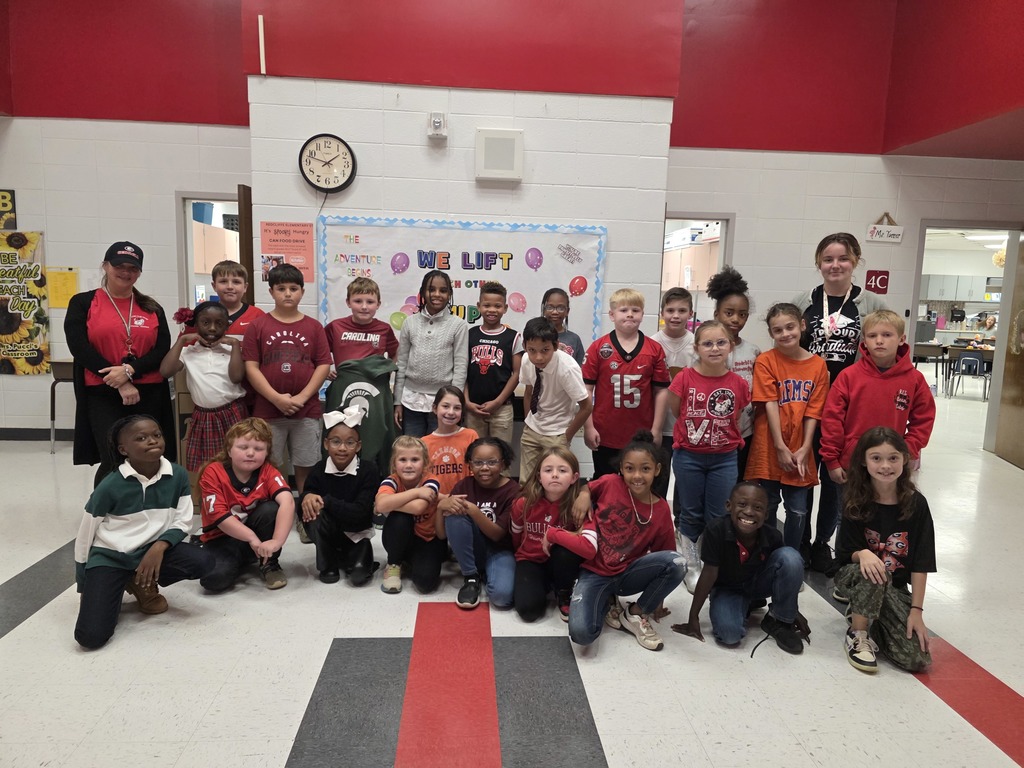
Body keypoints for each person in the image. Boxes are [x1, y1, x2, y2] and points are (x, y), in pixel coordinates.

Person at [73, 415, 215, 649]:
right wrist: (84, 585)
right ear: (123, 449)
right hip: (111, 557)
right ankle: (121, 582)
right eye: (141, 438)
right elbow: (85, 535)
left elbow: (183, 521)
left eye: (156, 435)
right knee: (90, 637)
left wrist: (160, 546)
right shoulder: (110, 485)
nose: (152, 441)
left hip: (152, 551)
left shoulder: (177, 475)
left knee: (204, 561)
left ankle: (142, 581)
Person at [794, 232, 888, 573]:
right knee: (804, 476)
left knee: (838, 479)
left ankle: (823, 544)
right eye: (828, 259)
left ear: (855, 261)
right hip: (807, 406)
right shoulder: (804, 301)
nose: (835, 265)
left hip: (849, 409)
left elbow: (884, 351)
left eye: (843, 259)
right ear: (819, 263)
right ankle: (800, 540)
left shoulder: (873, 304)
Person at [557, 431, 685, 652]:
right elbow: (588, 486)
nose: (637, 476)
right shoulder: (610, 483)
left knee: (678, 563)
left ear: (657, 470)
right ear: (621, 470)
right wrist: (585, 494)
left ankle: (634, 613)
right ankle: (607, 602)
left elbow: (665, 553)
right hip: (594, 572)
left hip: (629, 572)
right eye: (629, 469)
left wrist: (656, 600)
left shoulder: (661, 508)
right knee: (582, 634)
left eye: (645, 469)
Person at [65, 241, 175, 486]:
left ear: (139, 272)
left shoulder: (152, 307)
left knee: (150, 455)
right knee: (113, 456)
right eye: (119, 266)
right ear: (105, 266)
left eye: (132, 268)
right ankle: (104, 513)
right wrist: (120, 382)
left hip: (149, 391)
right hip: (103, 392)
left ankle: (148, 509)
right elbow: (79, 347)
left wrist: (129, 371)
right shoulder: (83, 303)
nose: (126, 273)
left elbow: (161, 348)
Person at [834, 427, 935, 673]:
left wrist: (916, 611)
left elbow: (922, 562)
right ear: (864, 462)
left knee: (917, 659)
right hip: (855, 575)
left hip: (894, 587)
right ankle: (857, 633)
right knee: (873, 570)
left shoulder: (917, 504)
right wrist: (863, 553)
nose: (885, 466)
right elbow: (843, 554)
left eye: (893, 458)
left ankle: (873, 616)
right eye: (876, 458)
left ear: (905, 459)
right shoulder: (855, 499)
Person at [671, 482, 808, 654]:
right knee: (729, 636)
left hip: (758, 584)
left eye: (758, 507)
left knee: (790, 556)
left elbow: (784, 573)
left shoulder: (772, 536)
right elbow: (708, 574)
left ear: (766, 514)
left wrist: (790, 611)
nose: (749, 512)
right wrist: (693, 617)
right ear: (729, 506)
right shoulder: (715, 530)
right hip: (728, 588)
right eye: (742, 504)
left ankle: (778, 621)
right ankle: (744, 604)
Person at [668, 320, 751, 593]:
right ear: (697, 348)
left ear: (730, 346)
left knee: (717, 513)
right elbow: (676, 410)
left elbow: (735, 416)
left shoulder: (738, 383)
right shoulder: (684, 378)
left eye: (721, 342)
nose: (714, 348)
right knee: (691, 511)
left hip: (724, 457)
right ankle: (691, 564)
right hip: (688, 455)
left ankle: (710, 560)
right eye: (707, 343)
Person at [242, 264, 332, 499]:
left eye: (293, 288)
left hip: (306, 410)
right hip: (268, 410)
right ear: (271, 292)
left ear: (302, 291)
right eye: (281, 288)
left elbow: (323, 364)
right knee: (268, 464)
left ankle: (305, 510)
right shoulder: (258, 326)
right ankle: (275, 509)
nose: (288, 293)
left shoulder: (314, 327)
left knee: (306, 464)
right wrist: (276, 398)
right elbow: (251, 367)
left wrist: (301, 398)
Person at [744, 304, 829, 548]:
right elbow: (770, 402)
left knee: (798, 510)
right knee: (768, 504)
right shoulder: (766, 361)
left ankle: (792, 558)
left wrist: (805, 448)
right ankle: (768, 556)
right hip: (770, 445)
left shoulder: (818, 365)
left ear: (802, 325)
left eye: (790, 327)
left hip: (800, 447)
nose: (785, 334)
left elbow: (814, 410)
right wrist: (779, 446)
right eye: (777, 330)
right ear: (771, 334)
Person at [821, 310, 935, 487]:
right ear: (864, 341)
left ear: (902, 339)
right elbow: (831, 420)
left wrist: (907, 450)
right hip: (852, 465)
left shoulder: (914, 380)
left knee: (887, 513)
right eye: (872, 336)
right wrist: (831, 459)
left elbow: (924, 419)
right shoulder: (848, 377)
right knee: (848, 513)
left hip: (891, 466)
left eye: (887, 335)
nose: (879, 341)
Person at [197, 418, 295, 591]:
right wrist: (251, 538)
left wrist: (276, 541)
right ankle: (242, 557)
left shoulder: (268, 471)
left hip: (256, 534)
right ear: (229, 450)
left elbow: (287, 501)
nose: (251, 453)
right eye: (243, 447)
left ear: (266, 453)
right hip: (221, 537)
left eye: (258, 449)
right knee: (213, 581)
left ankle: (269, 563)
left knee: (271, 509)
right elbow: (219, 516)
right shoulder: (213, 472)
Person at [583, 288, 670, 479]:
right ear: (612, 315)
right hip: (605, 431)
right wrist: (588, 427)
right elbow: (586, 390)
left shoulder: (654, 349)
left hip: (641, 433)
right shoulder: (598, 347)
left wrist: (656, 429)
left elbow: (661, 391)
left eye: (635, 310)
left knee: (639, 482)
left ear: (642, 314)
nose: (630, 314)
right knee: (605, 482)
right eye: (623, 310)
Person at [160, 301, 247, 474]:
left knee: (237, 462)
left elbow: (237, 377)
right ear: (197, 324)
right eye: (206, 322)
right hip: (204, 416)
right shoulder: (189, 352)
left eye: (219, 323)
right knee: (209, 466)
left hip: (232, 413)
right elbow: (165, 371)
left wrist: (235, 345)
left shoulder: (232, 349)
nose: (212, 328)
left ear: (227, 326)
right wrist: (183, 340)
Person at [323, 277, 399, 475]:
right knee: (341, 436)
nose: (364, 307)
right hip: (343, 394)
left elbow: (395, 353)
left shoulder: (384, 329)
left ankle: (375, 481)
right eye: (358, 301)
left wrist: (385, 372)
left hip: (373, 396)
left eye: (370, 302)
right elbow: (319, 353)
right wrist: (326, 368)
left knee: (374, 437)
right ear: (348, 302)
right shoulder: (335, 327)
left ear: (378, 305)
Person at [299, 406, 381, 586]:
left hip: (356, 534)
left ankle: (355, 555)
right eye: (336, 442)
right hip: (330, 533)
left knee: (359, 577)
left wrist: (326, 501)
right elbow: (307, 501)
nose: (342, 448)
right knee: (312, 508)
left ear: (358, 446)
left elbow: (361, 512)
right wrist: (307, 497)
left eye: (350, 443)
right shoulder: (318, 470)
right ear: (326, 444)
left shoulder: (369, 470)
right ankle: (327, 563)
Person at [437, 437, 520, 609]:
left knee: (501, 598)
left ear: (503, 464)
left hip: (500, 550)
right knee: (454, 515)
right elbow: (441, 535)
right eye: (478, 462)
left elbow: (497, 535)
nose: (484, 468)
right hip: (472, 550)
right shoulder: (463, 486)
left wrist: (473, 510)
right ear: (470, 465)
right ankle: (471, 577)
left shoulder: (514, 490)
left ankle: (488, 571)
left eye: (492, 462)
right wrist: (440, 507)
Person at [510, 445, 587, 622]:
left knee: (566, 549)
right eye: (548, 470)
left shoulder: (578, 506)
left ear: (574, 477)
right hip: (530, 559)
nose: (554, 475)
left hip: (561, 561)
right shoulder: (523, 503)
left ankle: (563, 591)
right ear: (538, 476)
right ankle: (543, 583)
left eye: (562, 470)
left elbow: (584, 541)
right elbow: (515, 536)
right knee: (528, 611)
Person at [394, 270, 468, 437]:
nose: (437, 294)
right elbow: (402, 364)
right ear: (422, 292)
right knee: (413, 451)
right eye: (431, 289)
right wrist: (397, 401)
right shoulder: (409, 323)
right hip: (410, 401)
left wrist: (453, 404)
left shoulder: (458, 325)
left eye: (443, 290)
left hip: (443, 403)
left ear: (449, 294)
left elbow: (461, 367)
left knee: (436, 455)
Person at [519, 317, 592, 484]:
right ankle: (527, 510)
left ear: (556, 346)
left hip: (557, 432)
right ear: (524, 347)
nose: (538, 357)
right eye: (532, 350)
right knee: (526, 483)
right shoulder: (525, 359)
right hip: (533, 428)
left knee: (554, 484)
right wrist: (528, 421)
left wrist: (566, 437)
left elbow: (586, 406)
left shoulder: (567, 369)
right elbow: (529, 392)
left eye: (545, 350)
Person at [707, 266, 760, 478]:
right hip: (710, 432)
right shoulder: (702, 348)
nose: (735, 319)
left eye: (742, 314)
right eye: (729, 313)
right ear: (717, 314)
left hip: (744, 432)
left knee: (737, 486)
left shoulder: (753, 351)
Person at [376, 436, 445, 594]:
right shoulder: (391, 481)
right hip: (398, 538)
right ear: (394, 463)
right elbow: (381, 505)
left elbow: (419, 507)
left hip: (427, 539)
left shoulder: (431, 480)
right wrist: (416, 492)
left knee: (425, 584)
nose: (408, 465)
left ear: (425, 463)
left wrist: (391, 503)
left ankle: (410, 561)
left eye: (415, 459)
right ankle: (394, 564)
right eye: (402, 460)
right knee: (400, 518)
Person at [651, 287, 696, 525]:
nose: (675, 315)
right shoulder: (652, 343)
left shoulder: (698, 344)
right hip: (660, 426)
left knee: (685, 479)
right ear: (662, 312)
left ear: (691, 313)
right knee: (659, 477)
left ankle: (681, 524)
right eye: (670, 310)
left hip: (687, 426)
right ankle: (656, 524)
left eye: (681, 310)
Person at [464, 282, 523, 444]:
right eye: (486, 305)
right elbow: (463, 372)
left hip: (502, 409)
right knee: (474, 456)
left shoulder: (513, 337)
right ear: (479, 306)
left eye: (497, 306)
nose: (491, 310)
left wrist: (497, 402)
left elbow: (517, 374)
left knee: (501, 457)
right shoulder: (470, 334)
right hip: (473, 409)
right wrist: (467, 402)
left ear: (505, 308)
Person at [421, 386, 479, 498]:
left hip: (465, 501)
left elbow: (475, 472)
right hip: (435, 502)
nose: (451, 412)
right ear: (434, 408)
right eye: (446, 406)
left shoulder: (470, 435)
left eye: (457, 408)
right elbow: (422, 480)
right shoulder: (424, 442)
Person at [181, 260, 264, 338]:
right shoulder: (201, 314)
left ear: (245, 287)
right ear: (214, 286)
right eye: (223, 281)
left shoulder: (258, 316)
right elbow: (184, 347)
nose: (230, 287)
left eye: (236, 282)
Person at [542, 287, 585, 365]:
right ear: (544, 310)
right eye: (550, 307)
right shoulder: (535, 336)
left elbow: (580, 369)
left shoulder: (574, 339)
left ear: (567, 311)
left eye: (560, 308)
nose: (555, 312)